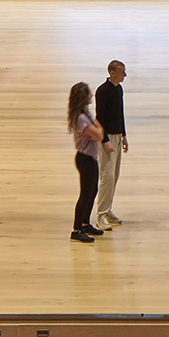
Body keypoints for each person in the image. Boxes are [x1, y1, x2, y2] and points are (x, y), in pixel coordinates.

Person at [93, 59, 129, 227]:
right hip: (106, 138)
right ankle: (100, 215)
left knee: (114, 175)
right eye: (122, 72)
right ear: (112, 72)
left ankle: (107, 209)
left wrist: (124, 135)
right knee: (107, 176)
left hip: (117, 135)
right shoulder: (103, 91)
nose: (125, 75)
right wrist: (105, 140)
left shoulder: (118, 89)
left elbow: (120, 112)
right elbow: (99, 118)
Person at [69, 81, 105, 242]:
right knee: (85, 194)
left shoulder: (85, 112)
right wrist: (98, 131)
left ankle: (85, 223)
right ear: (83, 97)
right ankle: (76, 230)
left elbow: (98, 130)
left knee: (93, 191)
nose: (91, 95)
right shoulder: (82, 118)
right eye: (89, 93)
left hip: (90, 158)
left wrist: (98, 131)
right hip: (85, 159)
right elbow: (99, 135)